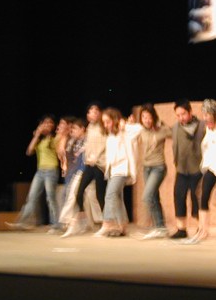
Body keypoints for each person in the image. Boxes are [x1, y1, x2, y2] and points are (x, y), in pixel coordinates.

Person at [185, 99, 216, 244]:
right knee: (202, 196)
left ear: (214, 114)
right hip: (212, 166)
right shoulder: (207, 128)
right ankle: (203, 230)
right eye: (204, 114)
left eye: (207, 114)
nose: (205, 117)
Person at [6, 114, 60, 231]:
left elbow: (59, 150)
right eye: (45, 122)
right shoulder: (39, 139)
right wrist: (37, 135)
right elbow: (29, 151)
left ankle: (56, 224)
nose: (48, 124)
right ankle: (22, 222)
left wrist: (47, 134)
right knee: (32, 197)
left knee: (50, 198)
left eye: (50, 122)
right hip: (40, 171)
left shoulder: (54, 138)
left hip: (51, 170)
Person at [95, 107, 142, 238]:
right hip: (113, 170)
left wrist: (125, 125)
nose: (106, 125)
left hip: (122, 169)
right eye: (104, 122)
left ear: (115, 120)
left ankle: (107, 223)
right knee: (117, 197)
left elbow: (140, 129)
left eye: (108, 121)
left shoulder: (125, 132)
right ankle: (122, 225)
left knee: (110, 195)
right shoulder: (110, 135)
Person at [63, 102, 107, 236]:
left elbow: (105, 144)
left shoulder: (103, 126)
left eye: (95, 111)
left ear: (99, 113)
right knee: (79, 191)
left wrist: (96, 157)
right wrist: (87, 156)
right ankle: (81, 221)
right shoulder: (89, 127)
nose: (93, 114)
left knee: (100, 195)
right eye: (90, 112)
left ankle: (106, 224)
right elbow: (88, 144)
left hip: (100, 164)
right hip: (89, 164)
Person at [170, 99, 205, 239]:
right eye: (178, 115)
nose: (181, 118)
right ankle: (181, 229)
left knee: (196, 199)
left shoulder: (202, 126)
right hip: (182, 169)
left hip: (197, 169)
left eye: (183, 114)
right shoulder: (175, 127)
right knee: (178, 196)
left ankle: (199, 228)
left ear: (190, 112)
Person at [138, 103, 172, 240]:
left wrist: (161, 123)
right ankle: (160, 227)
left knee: (147, 196)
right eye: (143, 117)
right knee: (153, 197)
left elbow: (173, 133)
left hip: (158, 167)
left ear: (153, 117)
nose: (146, 120)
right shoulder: (140, 130)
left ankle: (160, 227)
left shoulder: (161, 129)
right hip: (146, 168)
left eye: (149, 117)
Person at [58, 117, 88, 235]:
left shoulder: (88, 140)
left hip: (86, 171)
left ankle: (67, 220)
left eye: (75, 129)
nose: (73, 131)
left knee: (76, 195)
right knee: (76, 196)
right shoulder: (73, 141)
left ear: (82, 129)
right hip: (77, 172)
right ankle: (73, 222)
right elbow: (64, 153)